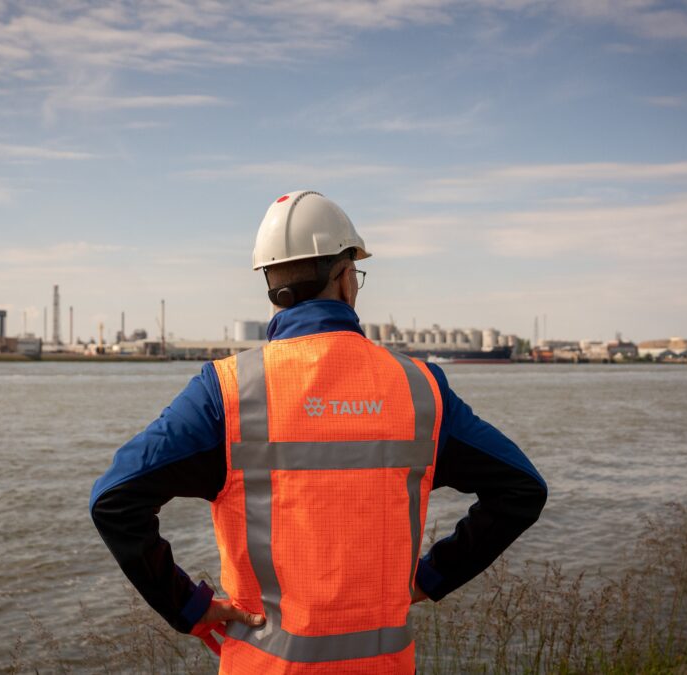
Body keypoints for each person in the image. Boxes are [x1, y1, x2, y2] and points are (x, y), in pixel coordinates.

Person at [90, 190, 547, 673]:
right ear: (347, 277)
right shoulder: (419, 389)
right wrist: (431, 577)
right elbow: (521, 489)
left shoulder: (226, 393)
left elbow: (115, 500)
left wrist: (190, 606)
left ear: (271, 284)